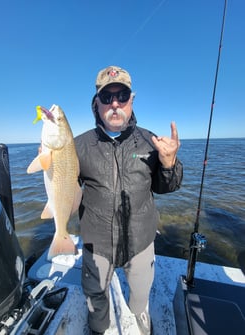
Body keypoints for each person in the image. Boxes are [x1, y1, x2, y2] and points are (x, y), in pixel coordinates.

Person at [74, 65, 183, 335]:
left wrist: (169, 163)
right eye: (107, 97)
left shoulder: (150, 140)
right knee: (96, 296)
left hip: (141, 240)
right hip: (96, 242)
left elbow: (167, 186)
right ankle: (98, 327)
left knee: (141, 291)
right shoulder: (78, 145)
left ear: (131, 101)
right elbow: (68, 191)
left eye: (122, 96)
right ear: (96, 103)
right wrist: (54, 166)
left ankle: (140, 313)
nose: (115, 104)